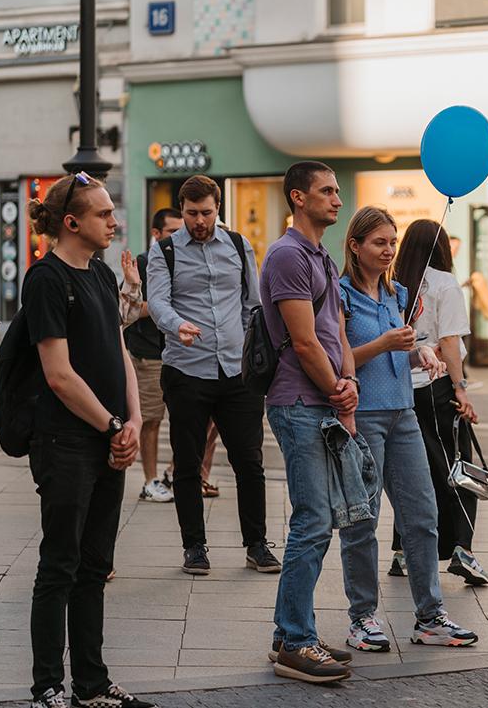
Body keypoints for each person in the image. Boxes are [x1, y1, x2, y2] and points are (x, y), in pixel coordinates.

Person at [22, 173, 153, 708]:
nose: (113, 222)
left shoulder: (100, 274)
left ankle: (92, 685)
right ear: (72, 222)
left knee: (96, 566)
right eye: (103, 214)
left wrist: (135, 421)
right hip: (67, 442)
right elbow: (58, 373)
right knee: (61, 564)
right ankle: (48, 686)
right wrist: (110, 425)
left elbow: (119, 352)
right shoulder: (46, 279)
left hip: (111, 438)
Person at [337, 206, 478, 654]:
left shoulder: (397, 293)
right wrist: (385, 344)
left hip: (404, 414)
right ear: (355, 247)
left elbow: (405, 346)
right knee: (364, 522)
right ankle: (362, 618)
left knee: (423, 517)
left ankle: (430, 617)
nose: (388, 250)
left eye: (392, 242)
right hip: (364, 418)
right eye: (379, 242)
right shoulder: (340, 295)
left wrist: (422, 355)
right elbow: (338, 361)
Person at [146, 175, 278, 577]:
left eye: (206, 213)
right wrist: (177, 324)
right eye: (191, 214)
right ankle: (194, 547)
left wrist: (246, 348)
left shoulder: (239, 245)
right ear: (182, 211)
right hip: (187, 369)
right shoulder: (164, 251)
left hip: (236, 373)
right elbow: (157, 301)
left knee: (248, 461)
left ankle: (256, 544)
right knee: (187, 463)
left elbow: (251, 304)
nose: (198, 221)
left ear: (217, 208)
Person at [262, 161, 359, 683]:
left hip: (322, 399)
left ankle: (289, 631)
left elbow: (336, 331)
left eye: (338, 191)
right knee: (313, 520)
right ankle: (295, 641)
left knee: (320, 521)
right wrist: (334, 388)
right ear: (298, 197)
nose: (337, 200)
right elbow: (302, 340)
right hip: (297, 400)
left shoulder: (321, 256)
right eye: (326, 191)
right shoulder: (286, 254)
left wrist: (349, 384)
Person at [392, 218, 488, 586]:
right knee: (457, 467)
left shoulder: (395, 281)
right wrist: (460, 388)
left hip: (402, 388)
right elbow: (449, 342)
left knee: (412, 472)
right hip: (437, 387)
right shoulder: (445, 283)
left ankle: (402, 550)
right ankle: (462, 548)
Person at [121, 207, 182, 503]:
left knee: (197, 418)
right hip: (149, 353)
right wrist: (164, 307)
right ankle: (149, 481)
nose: (178, 236)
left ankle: (173, 472)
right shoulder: (144, 263)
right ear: (156, 234)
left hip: (180, 351)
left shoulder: (181, 259)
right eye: (172, 231)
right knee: (151, 420)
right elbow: (132, 308)